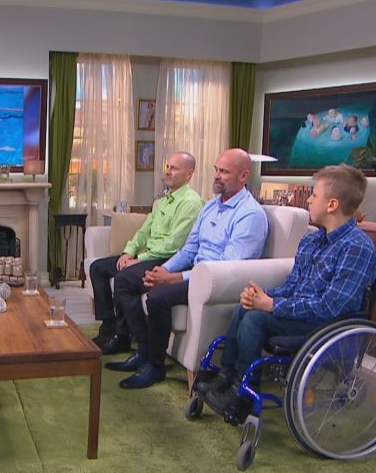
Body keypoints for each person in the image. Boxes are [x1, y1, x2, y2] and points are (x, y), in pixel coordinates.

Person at [198, 163, 376, 412]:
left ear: (332, 204)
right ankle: (225, 375)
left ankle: (243, 391)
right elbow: (294, 284)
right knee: (244, 308)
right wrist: (262, 296)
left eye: (314, 194)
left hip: (327, 324)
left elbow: (332, 306)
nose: (309, 200)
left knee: (256, 319)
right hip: (303, 313)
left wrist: (273, 305)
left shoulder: (357, 247)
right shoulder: (312, 239)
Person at [103, 148, 269, 389]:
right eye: (216, 170)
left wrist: (174, 278)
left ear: (244, 176)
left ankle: (155, 367)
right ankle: (139, 349)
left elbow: (226, 267)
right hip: (197, 271)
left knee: (158, 296)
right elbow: (190, 249)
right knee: (133, 281)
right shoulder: (211, 207)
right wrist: (162, 271)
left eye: (224, 172)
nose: (217, 176)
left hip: (219, 281)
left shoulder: (249, 215)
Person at [89, 151, 203, 346]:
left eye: (174, 168)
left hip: (167, 260)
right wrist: (128, 252)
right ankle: (109, 328)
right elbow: (143, 231)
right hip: (148, 255)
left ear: (188, 174)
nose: (168, 171)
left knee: (123, 278)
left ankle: (134, 339)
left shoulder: (190, 203)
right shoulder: (162, 201)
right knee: (98, 268)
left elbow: (174, 244)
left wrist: (139, 260)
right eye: (167, 166)